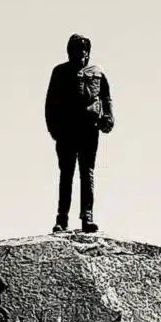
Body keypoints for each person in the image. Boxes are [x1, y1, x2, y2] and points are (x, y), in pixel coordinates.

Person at [44, 34, 114, 233]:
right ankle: (62, 219)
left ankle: (87, 217)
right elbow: (50, 104)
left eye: (82, 51)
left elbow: (106, 97)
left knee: (87, 173)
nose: (79, 55)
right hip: (67, 130)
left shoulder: (97, 72)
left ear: (87, 52)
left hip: (89, 129)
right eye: (75, 51)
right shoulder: (60, 72)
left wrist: (108, 117)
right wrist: (55, 130)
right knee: (66, 174)